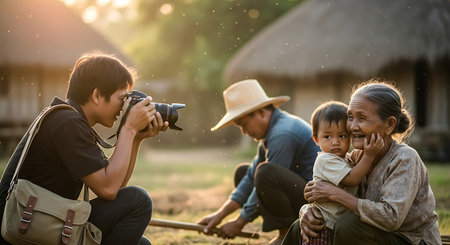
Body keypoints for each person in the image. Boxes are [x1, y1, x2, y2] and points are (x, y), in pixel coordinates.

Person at [0, 52, 169, 245]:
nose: (123, 109)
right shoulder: (67, 122)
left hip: (43, 221)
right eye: (122, 99)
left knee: (142, 244)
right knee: (138, 201)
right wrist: (128, 129)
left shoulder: (71, 120)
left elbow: (115, 183)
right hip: (20, 229)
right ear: (97, 95)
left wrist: (136, 138)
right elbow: (109, 189)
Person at [282, 79, 441, 245]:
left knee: (348, 226)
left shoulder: (405, 158)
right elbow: (327, 194)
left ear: (389, 125)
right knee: (302, 226)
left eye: (362, 118)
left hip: (410, 240)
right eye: (350, 117)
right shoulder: (358, 156)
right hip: (375, 233)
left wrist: (334, 194)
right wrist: (307, 210)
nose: (352, 126)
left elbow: (391, 218)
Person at [197, 79, 320, 245]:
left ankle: (287, 235)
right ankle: (285, 230)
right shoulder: (269, 135)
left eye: (244, 124)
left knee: (266, 173)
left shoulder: (282, 134)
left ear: (262, 113)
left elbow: (267, 176)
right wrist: (219, 216)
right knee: (244, 172)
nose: (244, 131)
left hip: (316, 202)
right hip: (299, 192)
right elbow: (249, 177)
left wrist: (239, 223)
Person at [304, 101, 384, 244]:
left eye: (342, 136)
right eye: (327, 137)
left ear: (350, 136)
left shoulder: (346, 159)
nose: (335, 142)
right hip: (323, 226)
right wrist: (369, 155)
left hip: (335, 225)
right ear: (316, 139)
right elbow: (352, 179)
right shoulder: (326, 160)